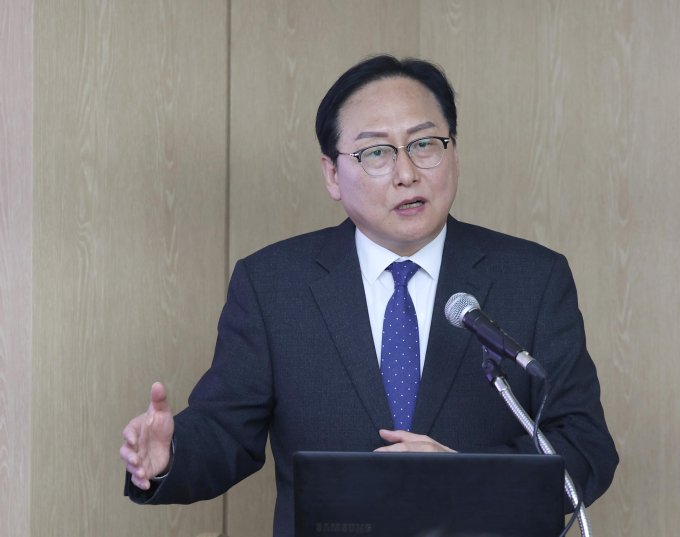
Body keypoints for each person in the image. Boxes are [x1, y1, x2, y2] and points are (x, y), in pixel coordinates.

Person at [120, 54, 618, 535]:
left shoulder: (532, 278)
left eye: (425, 144)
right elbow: (226, 430)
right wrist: (169, 456)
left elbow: (585, 445)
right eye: (376, 152)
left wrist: (466, 477)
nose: (407, 173)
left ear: (454, 153)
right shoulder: (274, 285)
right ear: (333, 175)